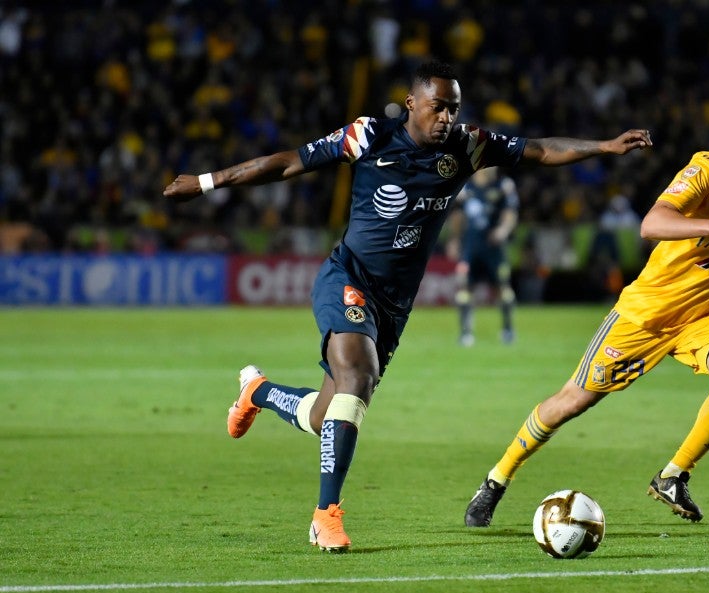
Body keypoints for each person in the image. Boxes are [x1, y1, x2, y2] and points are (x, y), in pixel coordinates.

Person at [163, 60, 652, 552]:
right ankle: (325, 516)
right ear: (413, 103)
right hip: (348, 277)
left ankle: (259, 392)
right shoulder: (369, 135)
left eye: (454, 109)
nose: (446, 118)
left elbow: (540, 150)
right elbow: (290, 162)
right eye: (438, 107)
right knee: (357, 377)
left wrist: (605, 146)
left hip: (395, 304)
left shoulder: (467, 146)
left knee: (328, 415)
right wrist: (209, 182)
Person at [465, 111, 709, 527]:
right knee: (572, 402)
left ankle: (674, 476)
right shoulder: (707, 172)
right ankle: (496, 479)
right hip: (645, 315)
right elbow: (651, 224)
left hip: (705, 317)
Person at [447, 166, 519, 346]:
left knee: (503, 288)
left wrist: (503, 230)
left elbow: (510, 212)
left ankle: (508, 330)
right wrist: (455, 240)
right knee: (464, 288)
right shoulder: (466, 187)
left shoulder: (503, 185)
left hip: (494, 248)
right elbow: (457, 215)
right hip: (471, 246)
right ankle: (465, 334)